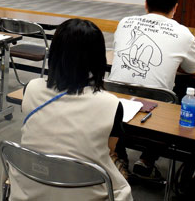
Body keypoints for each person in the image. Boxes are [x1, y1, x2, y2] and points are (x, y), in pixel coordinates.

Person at [9, 18, 132, 201]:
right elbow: (109, 150)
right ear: (99, 58)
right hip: (85, 192)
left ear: (55, 53)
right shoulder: (110, 104)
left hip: (30, 186)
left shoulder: (32, 88)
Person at [109, 0, 195, 179]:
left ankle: (119, 155)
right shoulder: (183, 33)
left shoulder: (125, 23)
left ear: (146, 3)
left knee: (128, 95)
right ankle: (147, 159)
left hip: (113, 107)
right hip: (156, 116)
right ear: (175, 8)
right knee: (175, 101)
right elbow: (194, 68)